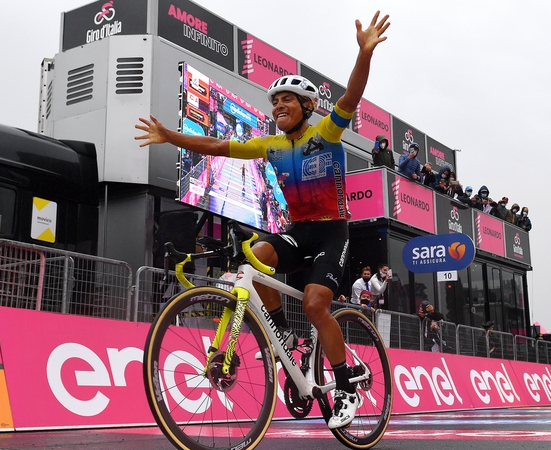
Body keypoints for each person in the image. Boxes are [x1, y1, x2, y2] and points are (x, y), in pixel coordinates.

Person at [135, 11, 390, 429]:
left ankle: (345, 388)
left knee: (315, 303)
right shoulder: (269, 144)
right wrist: (172, 136)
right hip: (298, 231)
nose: (278, 106)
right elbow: (216, 144)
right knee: (255, 255)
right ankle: (285, 337)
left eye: (286, 100)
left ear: (307, 106)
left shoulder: (324, 132)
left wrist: (363, 54)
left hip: (331, 231)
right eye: (274, 102)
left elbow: (351, 98)